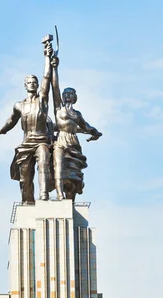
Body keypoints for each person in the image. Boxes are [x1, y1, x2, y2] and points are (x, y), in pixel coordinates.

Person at [0, 40, 55, 203]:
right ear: (25, 85)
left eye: (34, 82)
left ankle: (44, 196)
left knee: (43, 162)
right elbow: (11, 120)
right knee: (25, 178)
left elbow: (47, 77)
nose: (32, 84)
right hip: (26, 143)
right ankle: (28, 203)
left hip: (41, 141)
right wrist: (2, 129)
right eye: (29, 82)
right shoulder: (19, 105)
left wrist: (47, 57)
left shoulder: (42, 100)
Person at [50, 55, 102, 201]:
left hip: (73, 144)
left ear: (74, 97)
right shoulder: (59, 109)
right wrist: (55, 68)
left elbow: (86, 126)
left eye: (70, 93)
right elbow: (55, 86)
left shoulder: (77, 114)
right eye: (65, 93)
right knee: (58, 164)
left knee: (73, 175)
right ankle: (59, 194)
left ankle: (69, 199)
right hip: (60, 141)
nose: (67, 95)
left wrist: (95, 132)